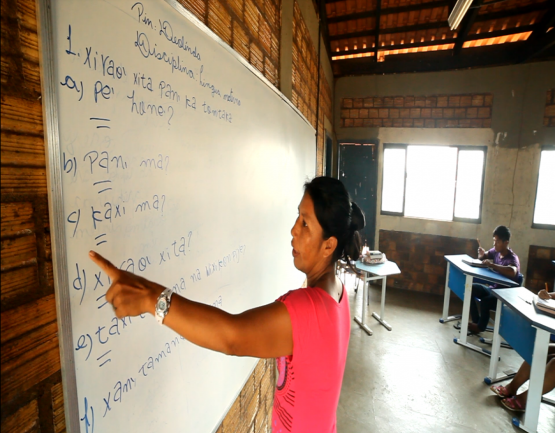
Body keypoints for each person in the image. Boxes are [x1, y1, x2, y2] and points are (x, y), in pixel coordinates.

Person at [89, 176, 365, 433]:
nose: (293, 229)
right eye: (297, 217)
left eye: (305, 224)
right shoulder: (337, 294)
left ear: (329, 246)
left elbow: (231, 336)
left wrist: (151, 297)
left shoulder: (307, 308)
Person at [468, 226, 520, 334]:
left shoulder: (512, 258)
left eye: (497, 242)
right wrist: (481, 255)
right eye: (494, 241)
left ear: (506, 242)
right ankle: (476, 321)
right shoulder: (496, 251)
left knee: (486, 301)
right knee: (470, 289)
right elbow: (483, 257)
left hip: (504, 295)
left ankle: (480, 327)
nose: (494, 244)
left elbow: (512, 271)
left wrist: (493, 265)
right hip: (493, 290)